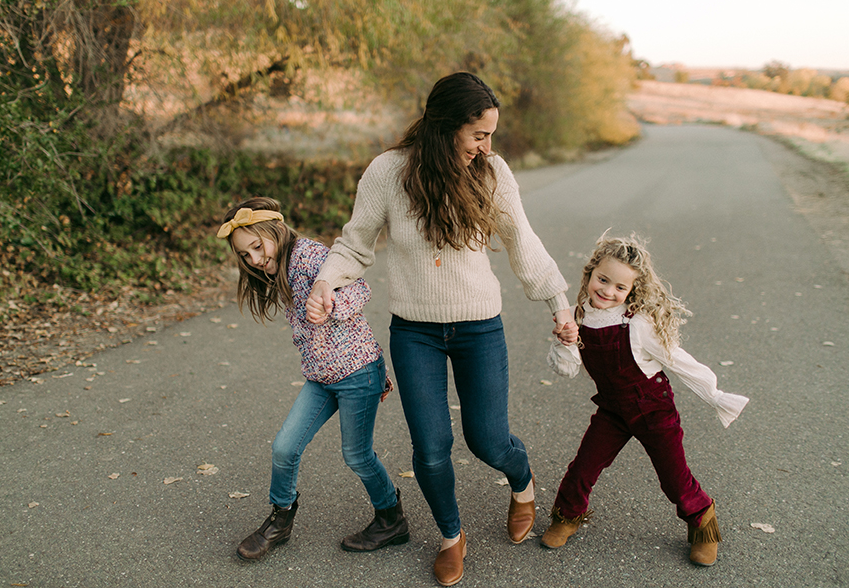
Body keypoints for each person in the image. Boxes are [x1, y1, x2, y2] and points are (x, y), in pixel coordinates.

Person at [306, 72, 577, 587]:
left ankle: (522, 483)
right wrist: (326, 283)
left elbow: (523, 241)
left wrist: (558, 305)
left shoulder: (492, 173)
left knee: (489, 440)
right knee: (430, 449)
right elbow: (355, 243)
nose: (487, 146)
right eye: (479, 134)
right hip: (415, 332)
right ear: (446, 127)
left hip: (479, 327)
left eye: (491, 135)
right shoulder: (388, 172)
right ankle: (451, 536)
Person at [216, 196, 409, 562]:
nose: (255, 260)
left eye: (258, 247)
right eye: (245, 255)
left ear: (276, 230)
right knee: (285, 447)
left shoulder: (308, 256)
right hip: (321, 378)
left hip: (358, 372)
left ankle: (391, 518)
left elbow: (359, 288)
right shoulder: (279, 267)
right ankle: (280, 520)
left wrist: (329, 302)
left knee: (357, 455)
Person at [543, 232, 749, 566]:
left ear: (631, 291)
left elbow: (678, 360)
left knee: (674, 478)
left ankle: (703, 522)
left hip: (653, 408)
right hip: (612, 409)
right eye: (603, 279)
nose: (608, 291)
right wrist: (566, 341)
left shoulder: (637, 325)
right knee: (583, 467)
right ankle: (566, 517)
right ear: (590, 273)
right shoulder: (575, 315)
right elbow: (566, 370)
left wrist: (715, 395)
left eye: (620, 288)